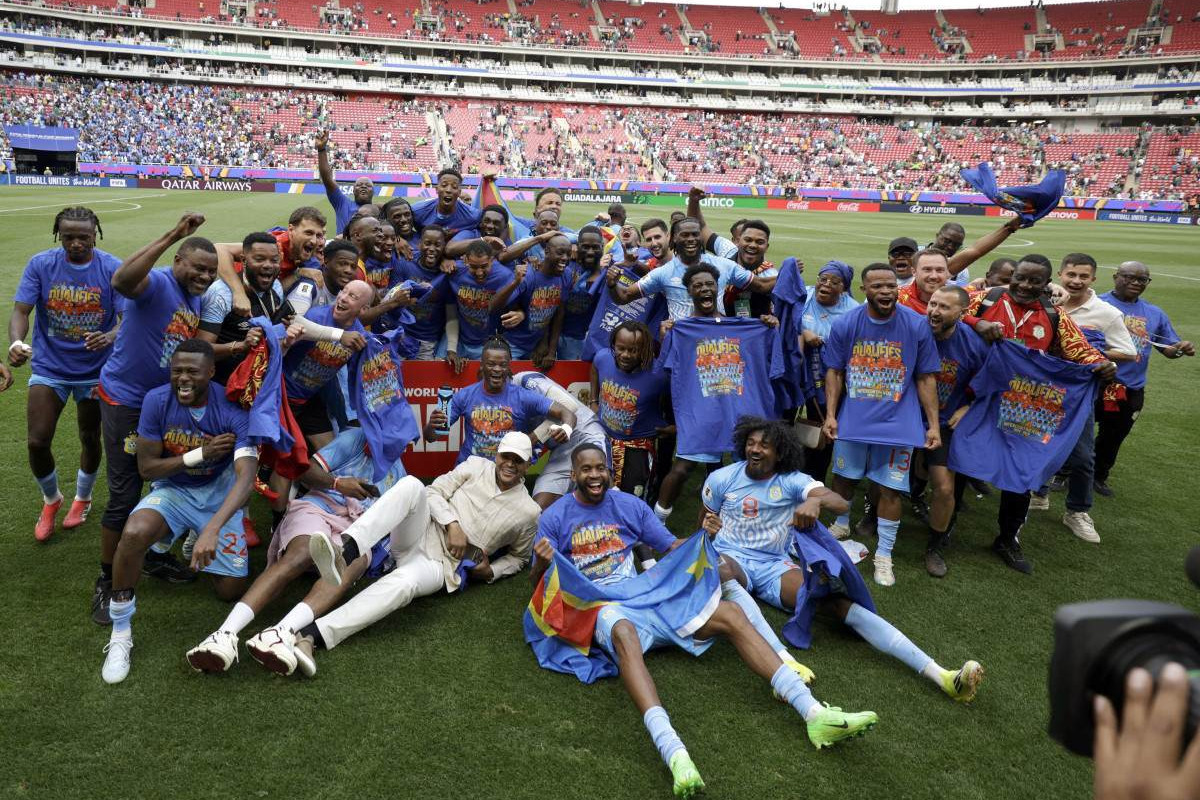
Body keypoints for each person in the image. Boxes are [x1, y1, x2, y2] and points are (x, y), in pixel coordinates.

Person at [531, 445, 878, 797]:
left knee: (730, 613)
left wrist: (704, 537)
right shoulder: (555, 516)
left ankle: (814, 713)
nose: (594, 476)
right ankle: (674, 753)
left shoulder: (630, 506)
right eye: (586, 470)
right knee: (623, 633)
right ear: (573, 475)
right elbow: (538, 588)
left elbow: (670, 547)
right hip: (602, 605)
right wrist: (542, 564)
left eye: (600, 468)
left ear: (608, 471)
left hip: (646, 594)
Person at [702, 417, 983, 698]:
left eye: (765, 445)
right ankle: (784, 661)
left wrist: (814, 501)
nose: (756, 449)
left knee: (836, 601)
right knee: (723, 570)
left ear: (779, 453)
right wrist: (707, 529)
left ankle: (943, 675)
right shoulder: (722, 478)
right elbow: (703, 521)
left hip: (774, 566)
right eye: (750, 443)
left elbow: (838, 501)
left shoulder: (791, 480)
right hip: (731, 557)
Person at [291, 431, 541, 675]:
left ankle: (312, 635)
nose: (510, 464)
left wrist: (491, 572)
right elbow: (433, 492)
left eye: (518, 460)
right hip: (423, 529)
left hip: (442, 565)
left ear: (528, 464)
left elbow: (519, 558)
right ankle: (345, 552)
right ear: (496, 455)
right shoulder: (476, 465)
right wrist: (452, 523)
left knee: (405, 583)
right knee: (412, 485)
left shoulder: (529, 511)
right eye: (506, 456)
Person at [184, 427, 404, 674]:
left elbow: (387, 530)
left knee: (349, 566)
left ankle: (280, 632)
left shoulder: (400, 475)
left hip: (355, 529)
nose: (396, 440)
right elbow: (304, 471)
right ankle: (224, 634)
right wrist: (340, 484)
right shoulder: (354, 438)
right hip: (319, 507)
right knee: (300, 554)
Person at [100, 340, 258, 684]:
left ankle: (194, 535)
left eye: (192, 372)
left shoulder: (233, 407)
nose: (183, 379)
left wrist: (213, 528)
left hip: (219, 497)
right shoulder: (157, 400)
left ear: (211, 372)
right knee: (134, 533)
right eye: (177, 372)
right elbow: (147, 469)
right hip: (174, 491)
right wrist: (199, 454)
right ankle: (120, 633)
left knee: (229, 590)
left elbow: (246, 479)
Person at [92, 212, 215, 626]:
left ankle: (148, 554)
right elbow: (122, 282)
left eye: (211, 272)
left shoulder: (193, 297)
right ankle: (107, 580)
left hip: (160, 402)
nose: (204, 276)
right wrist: (173, 233)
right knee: (127, 490)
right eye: (198, 268)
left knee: (166, 482)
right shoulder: (161, 281)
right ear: (179, 260)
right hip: (126, 400)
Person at [965, 257, 1116, 573]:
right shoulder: (984, 299)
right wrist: (975, 322)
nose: (1025, 285)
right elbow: (946, 310)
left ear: (1046, 284)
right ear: (1013, 276)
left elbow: (1080, 349)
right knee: (961, 461)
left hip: (1027, 403)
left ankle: (1007, 538)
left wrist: (1100, 362)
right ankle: (943, 533)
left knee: (1021, 473)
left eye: (1035, 281)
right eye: (1020, 278)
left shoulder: (1054, 315)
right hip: (976, 395)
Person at [821, 263, 941, 587]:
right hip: (855, 420)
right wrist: (831, 415)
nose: (886, 291)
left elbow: (926, 377)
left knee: (890, 490)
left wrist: (933, 425)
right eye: (877, 286)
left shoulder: (916, 325)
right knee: (843, 478)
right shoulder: (847, 323)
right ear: (864, 290)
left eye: (891, 285)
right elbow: (834, 371)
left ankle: (884, 555)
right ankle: (842, 523)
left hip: (897, 424)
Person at [8, 206, 122, 541]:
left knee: (89, 437)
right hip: (50, 367)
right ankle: (51, 499)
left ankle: (83, 499)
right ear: (59, 235)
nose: (75, 243)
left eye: (82, 237)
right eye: (68, 236)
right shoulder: (41, 264)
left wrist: (111, 335)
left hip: (96, 370)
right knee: (37, 440)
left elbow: (126, 317)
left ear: (95, 235)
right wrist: (16, 341)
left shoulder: (112, 267)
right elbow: (21, 310)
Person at [651, 262, 779, 524]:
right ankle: (658, 521)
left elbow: (775, 360)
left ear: (717, 288)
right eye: (697, 285)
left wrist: (770, 326)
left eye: (709, 284)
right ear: (689, 292)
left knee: (749, 467)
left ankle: (748, 521)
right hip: (702, 411)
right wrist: (667, 338)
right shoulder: (682, 329)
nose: (704, 289)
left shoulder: (748, 327)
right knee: (683, 467)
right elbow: (663, 373)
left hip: (741, 411)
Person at [1050, 253, 1138, 543]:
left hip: (1078, 396)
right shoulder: (1046, 297)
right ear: (1061, 274)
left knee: (1084, 455)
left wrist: (1083, 349)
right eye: (1071, 275)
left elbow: (1128, 353)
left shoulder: (1106, 312)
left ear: (1093, 279)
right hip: (1043, 389)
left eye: (1083, 276)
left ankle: (1076, 511)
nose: (1076, 281)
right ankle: (1036, 495)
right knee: (1035, 444)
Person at [1095, 261, 1194, 495]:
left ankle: (1098, 475)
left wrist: (1180, 348)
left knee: (1114, 435)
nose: (1136, 283)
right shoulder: (1096, 304)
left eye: (1142, 280)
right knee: (1079, 431)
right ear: (1115, 276)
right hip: (1094, 383)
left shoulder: (1154, 313)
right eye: (1129, 277)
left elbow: (1167, 348)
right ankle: (1064, 473)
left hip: (1130, 388)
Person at [921, 285, 989, 577]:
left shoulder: (975, 345)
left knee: (945, 488)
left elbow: (992, 385)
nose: (935, 311)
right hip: (906, 418)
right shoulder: (915, 331)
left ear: (962, 313)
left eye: (944, 307)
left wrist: (968, 408)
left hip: (946, 422)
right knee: (886, 477)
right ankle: (874, 516)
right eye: (933, 304)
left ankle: (935, 545)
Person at [424, 336, 575, 464]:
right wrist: (431, 426)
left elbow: (567, 412)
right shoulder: (465, 395)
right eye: (491, 364)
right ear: (482, 365)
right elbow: (431, 437)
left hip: (506, 470)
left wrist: (566, 428)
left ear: (508, 368)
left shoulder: (522, 396)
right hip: (470, 468)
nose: (497, 369)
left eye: (502, 365)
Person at [607, 217, 774, 323]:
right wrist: (613, 285)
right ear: (674, 239)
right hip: (683, 342)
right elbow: (624, 297)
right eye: (685, 235)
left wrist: (789, 271)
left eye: (695, 234)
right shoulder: (663, 272)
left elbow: (761, 286)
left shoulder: (723, 265)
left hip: (718, 341)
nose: (691, 239)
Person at [282, 279, 372, 451]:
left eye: (352, 296)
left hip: (310, 400)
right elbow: (294, 325)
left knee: (330, 453)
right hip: (283, 396)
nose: (343, 298)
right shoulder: (317, 316)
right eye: (343, 291)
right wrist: (340, 335)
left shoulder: (359, 335)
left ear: (363, 309)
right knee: (286, 457)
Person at [590, 321, 669, 499]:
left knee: (633, 499)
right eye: (620, 348)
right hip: (603, 439)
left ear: (644, 350)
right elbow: (594, 367)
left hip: (637, 446)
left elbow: (687, 398)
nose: (625, 355)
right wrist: (593, 400)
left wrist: (675, 428)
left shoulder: (658, 376)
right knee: (596, 493)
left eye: (633, 350)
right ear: (613, 346)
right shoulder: (603, 357)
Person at [199, 232, 289, 385]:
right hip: (222, 385)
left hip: (257, 383)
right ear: (244, 260)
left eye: (274, 260)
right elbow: (201, 351)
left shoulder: (277, 287)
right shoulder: (221, 295)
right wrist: (241, 346)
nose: (268, 265)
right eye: (259, 259)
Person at [798, 260, 858, 482]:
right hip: (797, 370)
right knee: (784, 422)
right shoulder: (804, 295)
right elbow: (784, 319)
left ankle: (814, 479)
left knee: (821, 425)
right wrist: (804, 332)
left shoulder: (852, 309)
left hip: (827, 377)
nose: (826, 285)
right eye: (823, 279)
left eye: (835, 282)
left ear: (843, 287)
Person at [512, 369, 607, 508]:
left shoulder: (524, 380)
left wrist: (532, 438)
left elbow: (569, 405)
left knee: (600, 499)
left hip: (587, 436)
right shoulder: (500, 413)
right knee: (539, 509)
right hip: (561, 451)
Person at [489, 234, 573, 364]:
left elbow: (558, 313)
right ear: (546, 251)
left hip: (537, 346)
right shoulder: (529, 276)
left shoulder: (566, 274)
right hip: (513, 344)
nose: (565, 258)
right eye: (560, 253)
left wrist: (550, 350)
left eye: (568, 254)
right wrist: (521, 311)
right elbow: (494, 307)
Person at [443, 240, 518, 363]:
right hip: (458, 339)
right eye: (473, 267)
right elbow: (451, 309)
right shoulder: (455, 272)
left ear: (492, 260)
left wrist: (521, 313)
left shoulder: (504, 276)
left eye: (484, 266)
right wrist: (451, 349)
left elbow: (518, 305)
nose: (479, 272)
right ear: (465, 260)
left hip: (486, 343)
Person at [558, 226, 605, 360]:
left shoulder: (608, 274)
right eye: (585, 247)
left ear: (602, 247)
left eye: (595, 247)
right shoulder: (566, 267)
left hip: (588, 341)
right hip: (561, 336)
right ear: (577, 246)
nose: (590, 252)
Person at [315, 130, 374, 235]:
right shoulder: (342, 203)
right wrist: (321, 150)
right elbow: (327, 179)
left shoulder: (380, 211)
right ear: (353, 190)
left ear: (373, 191)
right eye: (359, 185)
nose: (363, 187)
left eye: (368, 185)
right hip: (345, 250)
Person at [411, 167, 480, 233]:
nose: (448, 190)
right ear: (437, 189)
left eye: (454, 187)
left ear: (459, 192)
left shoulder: (473, 216)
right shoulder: (417, 211)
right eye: (444, 185)